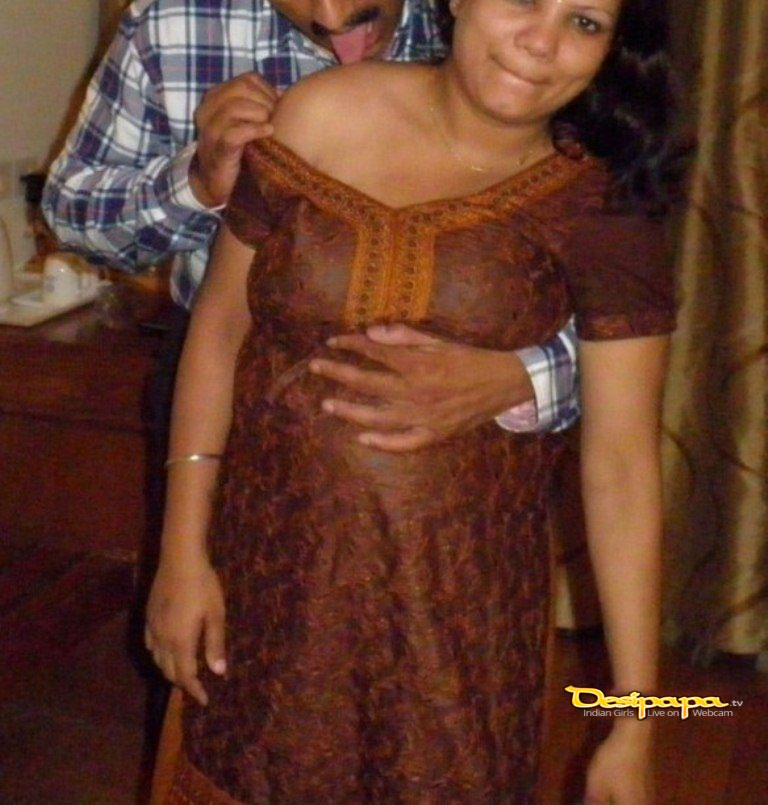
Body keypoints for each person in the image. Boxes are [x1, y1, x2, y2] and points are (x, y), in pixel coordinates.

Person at [145, 0, 682, 800]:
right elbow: (221, 329)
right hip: (267, 587)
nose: (541, 42)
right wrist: (182, 555)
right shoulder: (319, 115)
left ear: (611, 52)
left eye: (585, 23)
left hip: (456, 626)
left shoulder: (603, 206)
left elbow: (624, 470)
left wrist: (637, 722)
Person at [42, 0, 582, 457]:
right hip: (220, 397)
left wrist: (526, 377)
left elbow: (615, 288)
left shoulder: (514, 34)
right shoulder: (176, 22)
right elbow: (72, 215)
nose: (331, 16)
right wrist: (197, 184)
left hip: (476, 431)